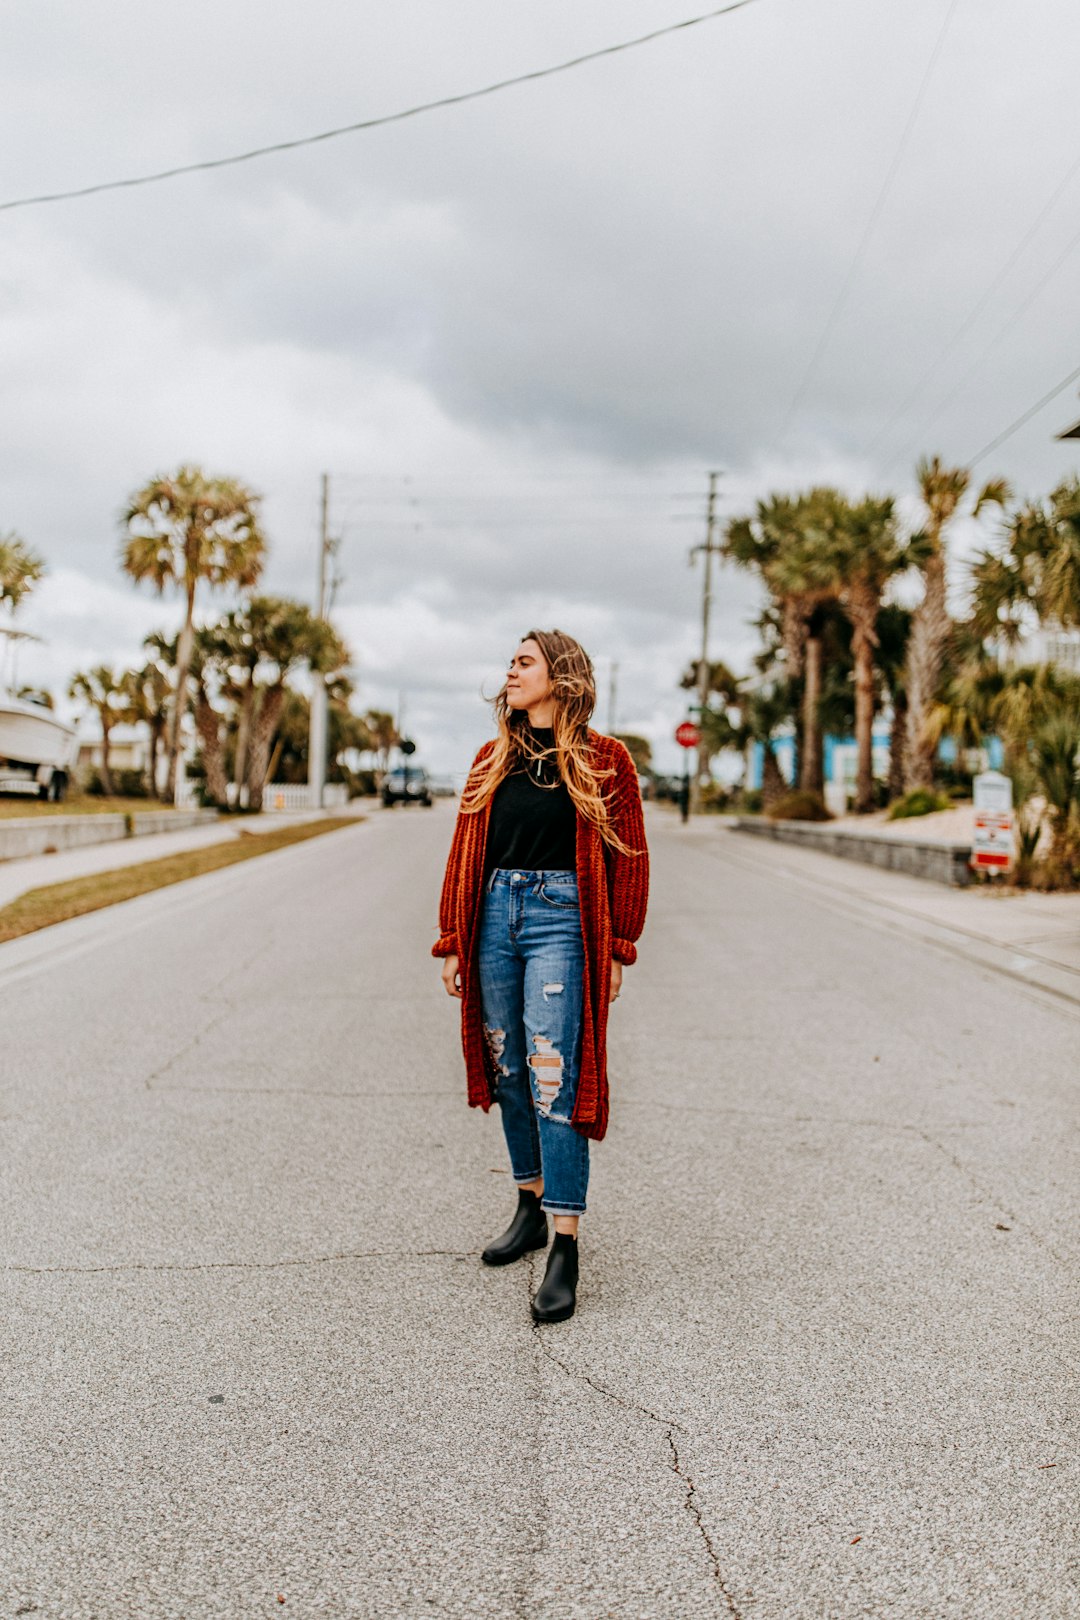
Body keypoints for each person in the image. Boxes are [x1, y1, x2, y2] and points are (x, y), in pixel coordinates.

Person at [432, 628, 649, 1323]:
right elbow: (466, 849)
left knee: (554, 1071)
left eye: (524, 661)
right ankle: (527, 1204)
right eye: (512, 663)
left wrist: (617, 944)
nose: (511, 671)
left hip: (562, 917)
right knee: (508, 1069)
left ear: (562, 675)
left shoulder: (606, 759)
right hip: (494, 914)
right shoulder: (490, 758)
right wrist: (454, 939)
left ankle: (565, 1241)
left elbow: (632, 856)